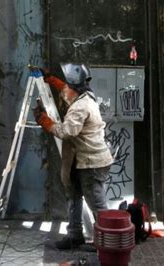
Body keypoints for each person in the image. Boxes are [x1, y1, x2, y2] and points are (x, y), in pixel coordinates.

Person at [34, 63, 113, 250]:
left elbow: (66, 131)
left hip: (91, 163)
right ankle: (75, 235)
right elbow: (65, 89)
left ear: (75, 88)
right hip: (82, 160)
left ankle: (109, 244)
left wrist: (43, 120)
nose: (65, 89)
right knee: (74, 196)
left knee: (97, 204)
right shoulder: (84, 95)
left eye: (68, 86)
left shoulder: (80, 106)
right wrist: (50, 78)